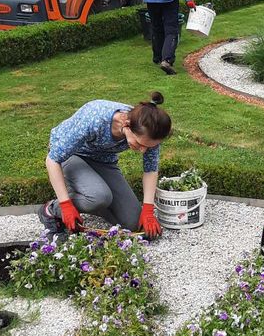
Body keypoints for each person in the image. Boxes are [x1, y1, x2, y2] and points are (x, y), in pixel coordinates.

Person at [38, 92, 171, 238]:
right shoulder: (94, 118)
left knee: (133, 222)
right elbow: (52, 160)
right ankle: (51, 209)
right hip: (72, 155)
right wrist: (65, 205)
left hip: (103, 160)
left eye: (148, 147)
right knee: (99, 197)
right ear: (126, 125)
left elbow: (150, 170)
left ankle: (95, 201)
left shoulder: (150, 130)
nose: (144, 150)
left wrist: (148, 210)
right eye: (140, 144)